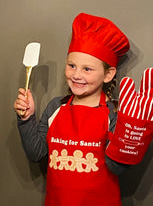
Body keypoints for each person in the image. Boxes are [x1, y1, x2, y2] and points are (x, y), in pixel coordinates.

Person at [14, 13, 130, 206]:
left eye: (87, 69)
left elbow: (117, 168)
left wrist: (133, 138)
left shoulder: (114, 114)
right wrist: (26, 118)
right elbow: (36, 153)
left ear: (108, 74)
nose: (76, 75)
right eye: (72, 65)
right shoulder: (55, 107)